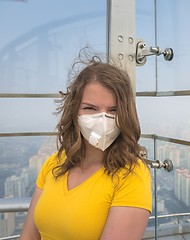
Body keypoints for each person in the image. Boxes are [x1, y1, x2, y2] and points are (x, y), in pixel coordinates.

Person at [20, 52, 152, 240]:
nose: (103, 119)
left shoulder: (132, 175)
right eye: (91, 108)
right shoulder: (55, 163)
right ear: (74, 111)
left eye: (113, 110)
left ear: (126, 115)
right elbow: (28, 236)